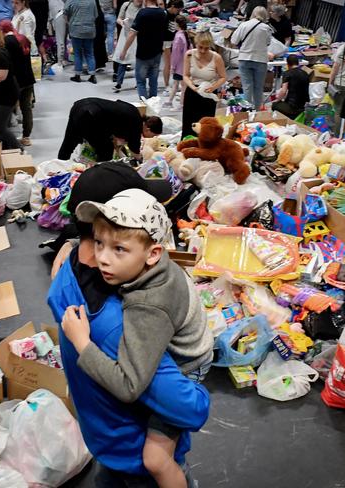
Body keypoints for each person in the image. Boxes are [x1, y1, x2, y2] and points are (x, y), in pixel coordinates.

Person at [47, 162, 210, 487]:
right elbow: (191, 410)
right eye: (103, 243)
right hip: (134, 458)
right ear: (97, 230)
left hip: (107, 438)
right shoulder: (117, 321)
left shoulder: (67, 273)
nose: (107, 258)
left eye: (120, 248)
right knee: (157, 459)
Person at [58, 97, 162, 161]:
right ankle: (100, 176)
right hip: (90, 114)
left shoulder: (134, 112)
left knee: (70, 140)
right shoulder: (136, 126)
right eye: (153, 136)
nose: (150, 138)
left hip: (80, 105)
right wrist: (141, 159)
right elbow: (134, 151)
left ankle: (59, 165)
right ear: (148, 129)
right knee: (106, 150)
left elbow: (115, 112)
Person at [181, 31, 225, 139]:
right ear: (196, 44)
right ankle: (187, 144)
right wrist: (193, 87)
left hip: (208, 94)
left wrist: (213, 87)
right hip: (192, 92)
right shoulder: (189, 55)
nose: (203, 51)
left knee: (206, 125)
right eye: (200, 47)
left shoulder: (217, 58)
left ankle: (206, 147)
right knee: (189, 123)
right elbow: (185, 75)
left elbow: (223, 77)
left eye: (206, 48)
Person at [120, 0, 167, 100]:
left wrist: (124, 50)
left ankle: (144, 106)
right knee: (153, 81)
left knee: (141, 82)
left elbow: (132, 33)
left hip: (143, 53)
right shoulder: (162, 13)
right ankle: (153, 105)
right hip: (157, 52)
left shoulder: (142, 13)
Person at [0, 19, 35, 146]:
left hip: (15, 81)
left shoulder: (6, 42)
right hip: (28, 78)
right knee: (27, 108)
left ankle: (7, 138)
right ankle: (26, 137)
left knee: (7, 107)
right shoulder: (23, 38)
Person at [230, 6, 271, 110]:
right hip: (261, 60)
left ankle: (247, 111)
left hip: (244, 58)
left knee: (247, 86)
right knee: (258, 88)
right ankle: (257, 112)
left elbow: (234, 41)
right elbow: (268, 43)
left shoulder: (243, 25)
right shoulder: (266, 28)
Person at [64, 0, 98, 83]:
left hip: (76, 30)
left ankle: (78, 75)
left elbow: (65, 14)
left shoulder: (71, 1)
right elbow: (95, 15)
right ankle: (92, 76)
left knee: (77, 53)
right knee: (90, 53)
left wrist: (69, 23)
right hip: (89, 30)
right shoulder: (92, 1)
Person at [111, 0, 140, 93]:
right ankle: (119, 83)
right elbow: (119, 18)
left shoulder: (144, 7)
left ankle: (139, 83)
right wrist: (122, 22)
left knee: (138, 61)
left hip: (138, 36)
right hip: (125, 35)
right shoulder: (126, 5)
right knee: (122, 59)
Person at [272, 54, 309, 119]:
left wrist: (277, 100)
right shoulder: (305, 73)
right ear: (298, 63)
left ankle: (286, 119)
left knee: (274, 105)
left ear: (288, 64)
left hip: (292, 107)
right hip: (302, 107)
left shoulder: (287, 73)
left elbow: (283, 91)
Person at [166, 14, 189, 107]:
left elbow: (175, 54)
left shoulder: (178, 36)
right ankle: (171, 101)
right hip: (185, 64)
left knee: (179, 85)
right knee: (181, 85)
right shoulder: (185, 34)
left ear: (177, 24)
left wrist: (172, 66)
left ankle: (180, 104)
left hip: (179, 65)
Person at [162, 0, 182, 93]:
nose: (178, 11)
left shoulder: (175, 15)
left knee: (176, 63)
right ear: (173, 6)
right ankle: (166, 85)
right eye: (177, 9)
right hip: (165, 42)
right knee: (168, 64)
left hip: (174, 41)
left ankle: (175, 84)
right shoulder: (164, 14)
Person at [328, 41, 345, 120]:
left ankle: (337, 131)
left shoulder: (343, 48)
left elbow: (335, 67)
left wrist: (330, 83)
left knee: (338, 110)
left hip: (341, 83)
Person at [48, 0, 66, 65]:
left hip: (59, 13)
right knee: (62, 39)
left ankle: (60, 61)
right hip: (60, 12)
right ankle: (62, 60)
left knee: (60, 39)